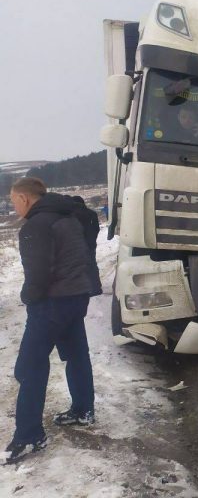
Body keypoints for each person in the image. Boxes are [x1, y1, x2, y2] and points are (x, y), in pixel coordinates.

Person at [3, 178, 97, 465]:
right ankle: (83, 410)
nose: (13, 206)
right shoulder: (68, 215)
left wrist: (28, 297)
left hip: (52, 302)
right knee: (77, 354)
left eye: (13, 201)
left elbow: (38, 276)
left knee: (31, 366)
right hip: (77, 296)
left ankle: (30, 436)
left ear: (24, 198)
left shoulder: (36, 226)